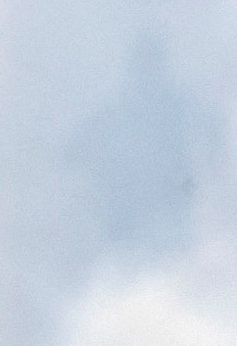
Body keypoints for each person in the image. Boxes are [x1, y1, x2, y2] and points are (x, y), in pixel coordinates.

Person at [67, 34, 210, 266]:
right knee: (135, 266)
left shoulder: (177, 105)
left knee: (165, 263)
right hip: (133, 209)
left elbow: (213, 132)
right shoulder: (127, 109)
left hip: (162, 205)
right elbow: (79, 145)